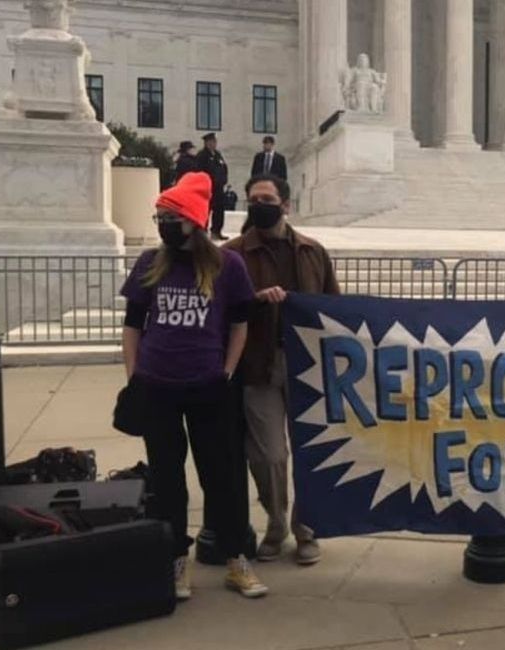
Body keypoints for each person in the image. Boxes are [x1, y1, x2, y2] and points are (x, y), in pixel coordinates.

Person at [120, 171, 268, 600]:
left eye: (169, 215)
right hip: (157, 384)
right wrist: (134, 377)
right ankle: (175, 562)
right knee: (167, 481)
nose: (162, 222)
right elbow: (132, 326)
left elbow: (240, 324)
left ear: (193, 221)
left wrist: (226, 370)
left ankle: (237, 559)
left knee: (222, 477)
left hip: (209, 386)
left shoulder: (228, 266)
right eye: (159, 215)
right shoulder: (150, 263)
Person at [225, 175, 339, 565]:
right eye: (254, 198)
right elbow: (220, 312)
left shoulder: (312, 252)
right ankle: (276, 522)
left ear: (286, 205)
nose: (260, 204)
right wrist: (254, 302)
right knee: (269, 455)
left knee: (310, 453)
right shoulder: (233, 254)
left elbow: (334, 310)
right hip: (259, 365)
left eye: (267, 198)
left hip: (306, 367)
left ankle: (306, 529)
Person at [196, 132, 230, 241]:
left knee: (219, 210)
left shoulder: (217, 155)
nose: (214, 144)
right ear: (206, 143)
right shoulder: (202, 156)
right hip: (207, 188)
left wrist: (224, 180)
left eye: (215, 141)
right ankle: (202, 231)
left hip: (219, 188)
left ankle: (216, 231)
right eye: (211, 142)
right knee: (206, 210)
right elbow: (199, 171)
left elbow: (224, 168)